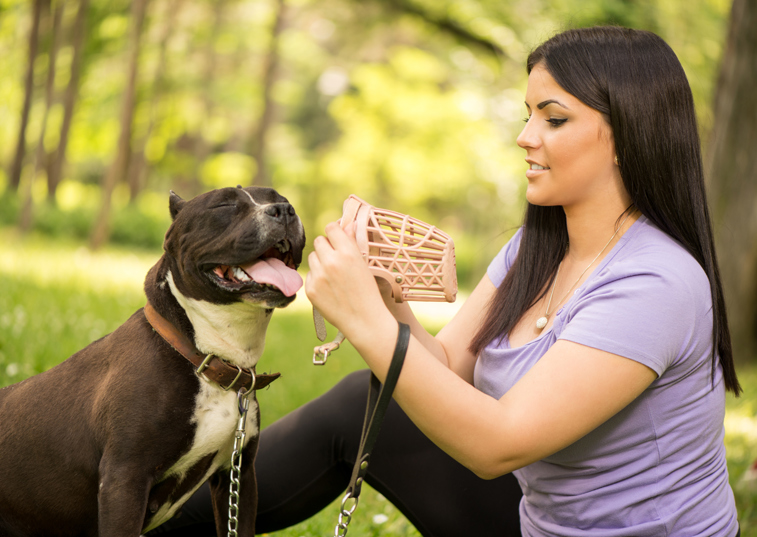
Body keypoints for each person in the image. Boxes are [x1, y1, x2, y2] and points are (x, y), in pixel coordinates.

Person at [149, 25, 741, 536]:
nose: (525, 136)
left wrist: (364, 320)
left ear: (626, 136)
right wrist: (388, 301)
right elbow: (446, 364)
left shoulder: (656, 282)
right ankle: (146, 523)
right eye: (527, 114)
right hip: (540, 520)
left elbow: (498, 444)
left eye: (553, 118)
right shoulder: (536, 248)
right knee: (367, 399)